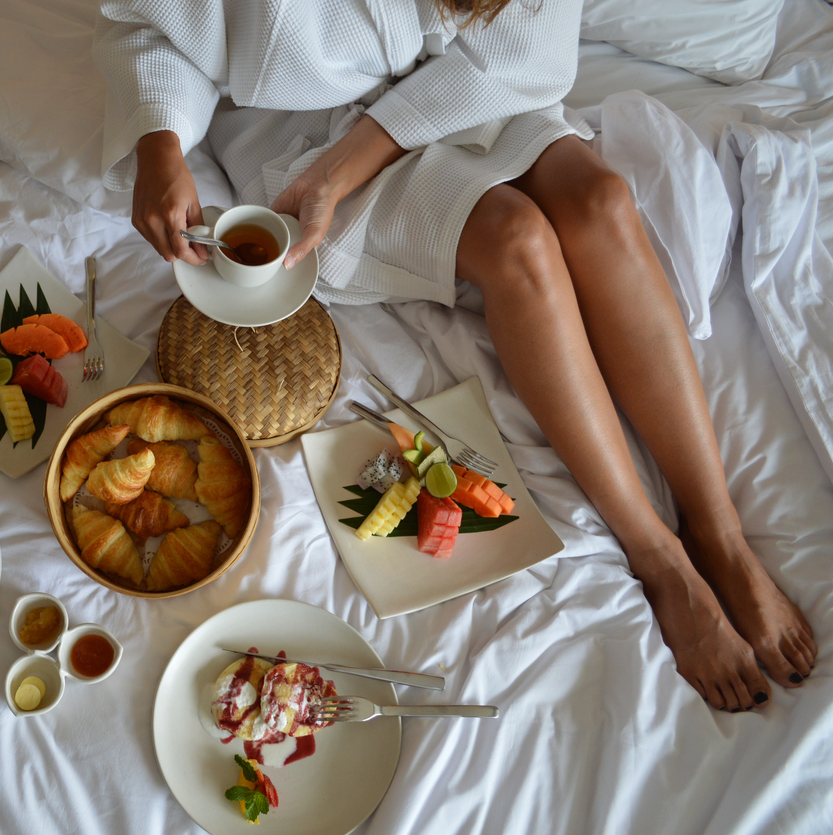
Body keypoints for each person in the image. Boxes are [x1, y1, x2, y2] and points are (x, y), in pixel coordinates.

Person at [93, 0, 816, 711]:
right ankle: (660, 559)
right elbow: (151, 25)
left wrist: (350, 164)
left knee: (600, 202)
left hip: (474, 81)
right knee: (519, 241)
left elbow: (532, 41)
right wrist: (159, 146)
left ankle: (718, 531)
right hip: (303, 130)